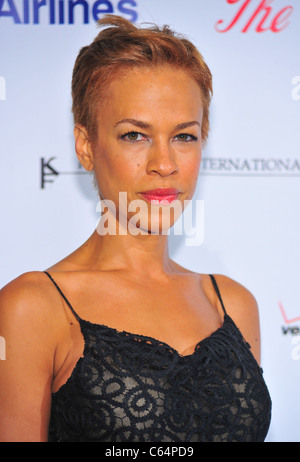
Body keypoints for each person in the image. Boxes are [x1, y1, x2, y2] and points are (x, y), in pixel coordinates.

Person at [0, 15, 271, 442]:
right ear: (86, 146)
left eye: (184, 136)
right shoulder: (32, 308)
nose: (164, 164)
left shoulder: (234, 305)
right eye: (134, 135)